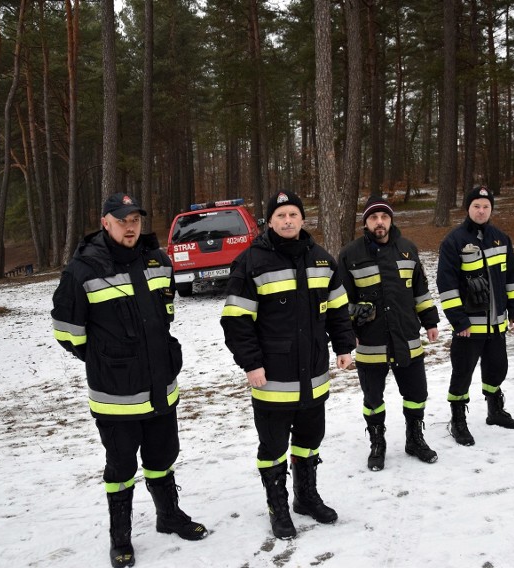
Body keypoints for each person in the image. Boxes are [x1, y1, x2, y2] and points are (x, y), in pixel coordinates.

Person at [51, 193, 207, 568]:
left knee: (162, 456)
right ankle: (120, 535)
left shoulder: (157, 260)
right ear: (105, 222)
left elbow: (165, 314)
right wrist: (104, 357)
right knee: (121, 468)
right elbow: (67, 330)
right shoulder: (83, 269)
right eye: (123, 220)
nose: (131, 226)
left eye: (135, 219)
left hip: (160, 386)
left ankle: (168, 515)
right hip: (116, 395)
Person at [220, 191, 355, 540]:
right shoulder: (250, 262)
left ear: (303, 219)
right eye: (280, 215)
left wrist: (343, 347)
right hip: (271, 380)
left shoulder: (322, 260)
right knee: (273, 448)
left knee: (310, 441)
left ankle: (306, 498)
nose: (288, 221)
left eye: (293, 214)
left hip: (314, 375)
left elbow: (339, 310)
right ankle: (277, 507)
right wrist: (251, 364)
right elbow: (236, 321)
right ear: (270, 221)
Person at [338, 195, 440, 471]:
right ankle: (377, 443)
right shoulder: (350, 254)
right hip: (371, 343)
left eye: (384, 217)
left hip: (407, 338)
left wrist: (430, 321)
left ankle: (414, 439)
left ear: (391, 220)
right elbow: (339, 301)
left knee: (417, 393)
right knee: (373, 400)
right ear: (366, 223)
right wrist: (350, 326)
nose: (379, 222)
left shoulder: (408, 249)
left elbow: (421, 290)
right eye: (373, 218)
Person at [436, 186, 514, 445]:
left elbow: (511, 279)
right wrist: (458, 320)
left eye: (486, 206)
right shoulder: (454, 241)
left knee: (497, 369)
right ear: (468, 208)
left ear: (491, 209)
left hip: (497, 324)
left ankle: (494, 410)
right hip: (469, 327)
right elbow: (447, 284)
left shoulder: (501, 238)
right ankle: (458, 420)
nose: (481, 210)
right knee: (462, 373)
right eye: (476, 206)